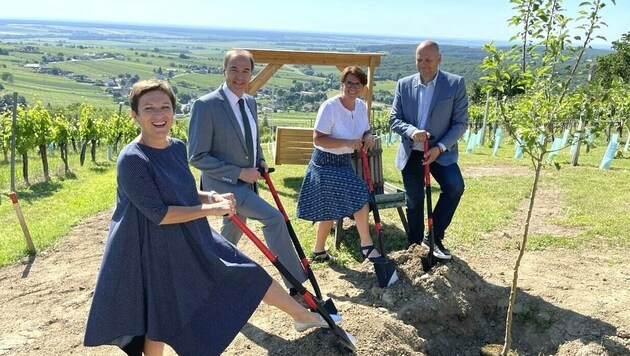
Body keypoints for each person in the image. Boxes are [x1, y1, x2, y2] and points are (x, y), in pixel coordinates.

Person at [84, 79, 340, 356]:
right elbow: (159, 213)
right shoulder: (133, 159)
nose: (159, 115)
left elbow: (181, 190)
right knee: (160, 316)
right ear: (135, 115)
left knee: (247, 272)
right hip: (149, 247)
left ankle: (303, 316)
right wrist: (211, 209)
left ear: (173, 111)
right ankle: (304, 316)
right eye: (149, 108)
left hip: (188, 233)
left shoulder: (176, 147)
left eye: (165, 107)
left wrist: (211, 197)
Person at [187, 49, 309, 304]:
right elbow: (197, 156)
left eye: (245, 71)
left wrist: (260, 160)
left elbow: (252, 142)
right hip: (224, 186)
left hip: (248, 184)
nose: (240, 76)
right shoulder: (206, 105)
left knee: (229, 234)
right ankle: (298, 287)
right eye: (234, 69)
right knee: (274, 219)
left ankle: (204, 275)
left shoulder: (250, 101)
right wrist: (240, 172)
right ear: (224, 71)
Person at [389, 40, 468, 260]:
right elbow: (394, 119)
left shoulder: (455, 84)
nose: (423, 64)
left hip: (440, 152)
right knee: (414, 201)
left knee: (455, 187)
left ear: (439, 59)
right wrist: (411, 131)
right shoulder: (404, 84)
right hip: (412, 151)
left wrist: (441, 148)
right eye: (419, 60)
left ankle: (434, 235)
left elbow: (460, 122)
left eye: (428, 60)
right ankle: (414, 248)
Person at [296, 66, 383, 263]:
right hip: (324, 165)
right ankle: (367, 246)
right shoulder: (330, 107)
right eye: (349, 83)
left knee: (330, 207)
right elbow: (318, 139)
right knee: (361, 194)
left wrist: (369, 137)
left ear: (362, 87)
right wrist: (345, 143)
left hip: (343, 163)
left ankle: (318, 251)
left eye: (357, 84)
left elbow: (366, 131)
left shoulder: (361, 107)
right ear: (342, 84)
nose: (353, 87)